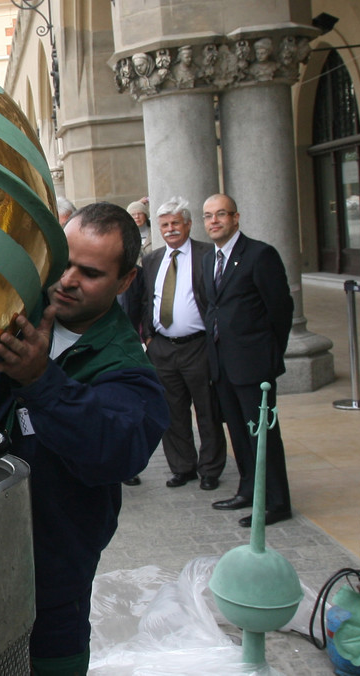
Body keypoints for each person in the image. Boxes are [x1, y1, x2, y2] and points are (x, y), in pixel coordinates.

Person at [0, 202, 169, 675]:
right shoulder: (9, 314)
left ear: (126, 281)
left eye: (89, 273)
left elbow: (117, 450)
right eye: (62, 263)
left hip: (53, 573)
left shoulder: (125, 365)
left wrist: (41, 381)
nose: (67, 280)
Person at [201, 194, 293, 527]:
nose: (214, 221)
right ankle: (248, 491)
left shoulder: (259, 255)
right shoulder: (208, 258)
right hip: (223, 365)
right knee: (238, 433)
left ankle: (277, 501)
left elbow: (281, 311)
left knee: (263, 434)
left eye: (221, 214)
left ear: (235, 218)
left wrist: (270, 357)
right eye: (208, 216)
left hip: (254, 366)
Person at [139, 197, 225, 490]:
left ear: (188, 224)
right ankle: (182, 467)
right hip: (162, 347)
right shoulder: (151, 259)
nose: (171, 229)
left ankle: (210, 469)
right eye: (165, 224)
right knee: (172, 412)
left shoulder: (207, 254)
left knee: (207, 411)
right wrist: (148, 337)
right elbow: (144, 299)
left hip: (198, 346)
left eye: (176, 222)